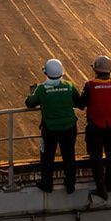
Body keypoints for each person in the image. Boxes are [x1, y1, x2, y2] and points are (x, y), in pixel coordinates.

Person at [74, 54, 111, 199]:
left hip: (95, 127)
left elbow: (81, 103)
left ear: (96, 70)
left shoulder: (90, 85)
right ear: (110, 70)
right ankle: (110, 185)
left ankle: (100, 187)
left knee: (96, 157)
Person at [25, 57, 78, 193]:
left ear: (46, 73)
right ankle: (70, 185)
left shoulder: (42, 89)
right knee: (69, 156)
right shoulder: (69, 85)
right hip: (69, 127)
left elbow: (29, 103)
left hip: (50, 130)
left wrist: (32, 92)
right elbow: (79, 101)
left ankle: (47, 185)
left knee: (47, 157)